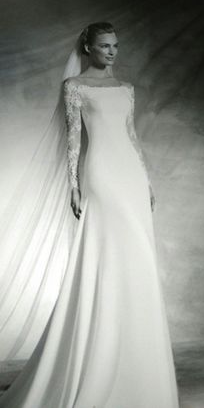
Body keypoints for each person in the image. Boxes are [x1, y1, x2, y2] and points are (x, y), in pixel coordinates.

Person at [0, 22, 180, 407]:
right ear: (88, 47)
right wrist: (75, 185)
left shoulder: (126, 89)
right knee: (107, 257)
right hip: (100, 175)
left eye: (115, 45)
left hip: (130, 176)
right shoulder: (74, 87)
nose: (112, 52)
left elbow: (131, 135)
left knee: (137, 260)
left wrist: (145, 179)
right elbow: (73, 140)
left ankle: (136, 362)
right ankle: (97, 361)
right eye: (104, 46)